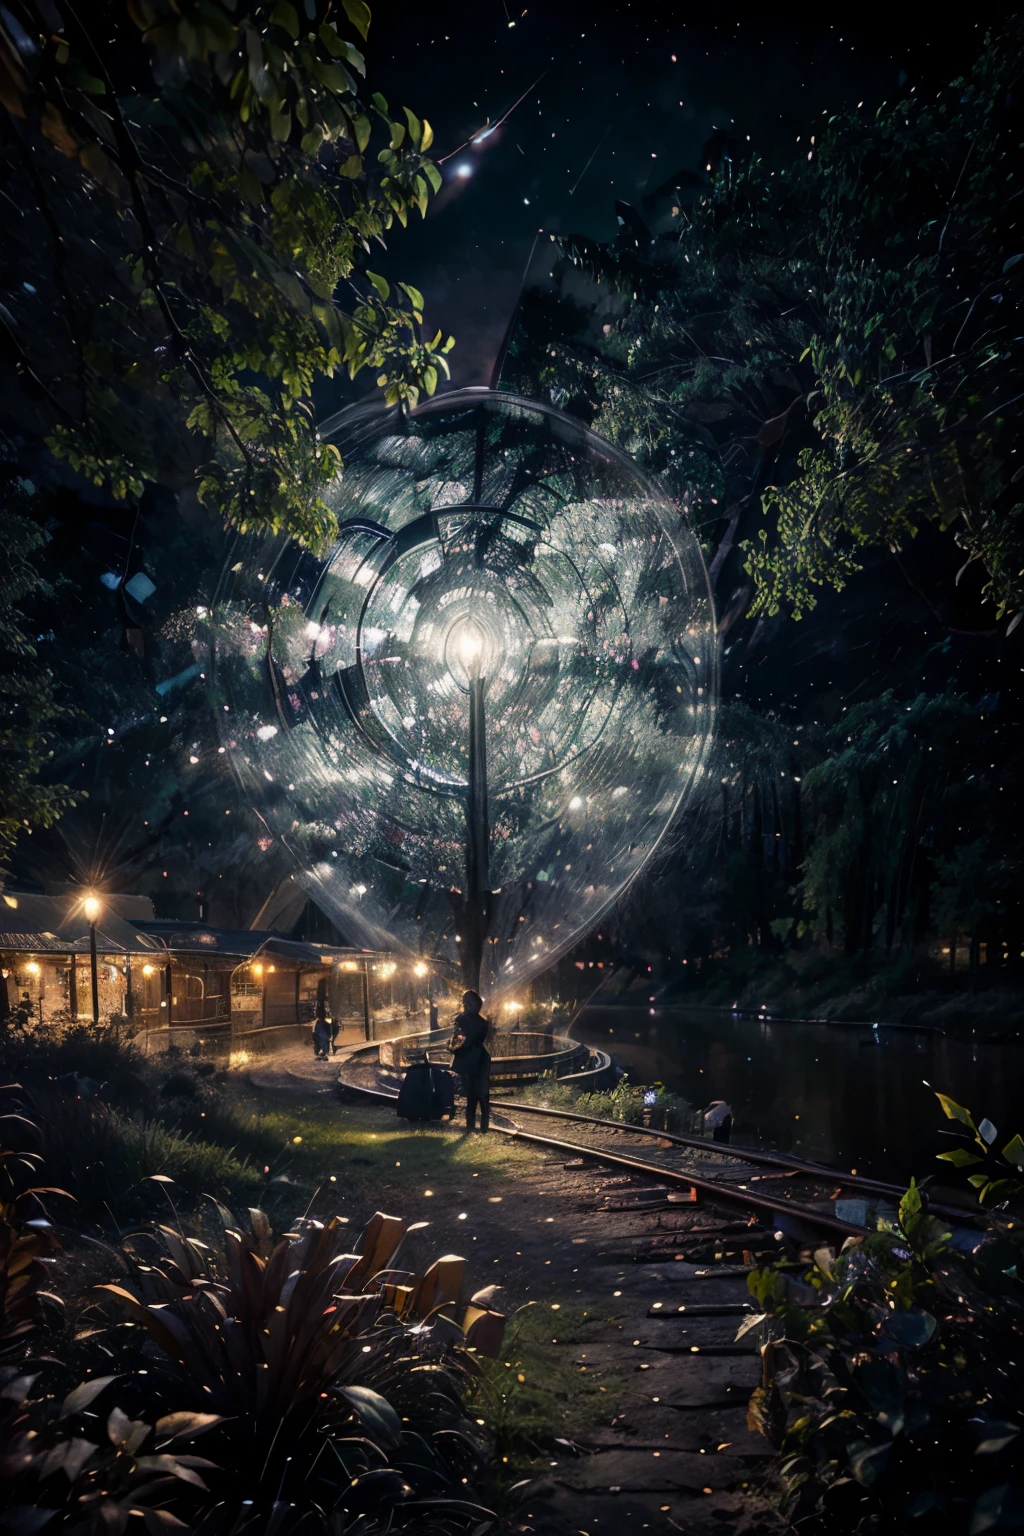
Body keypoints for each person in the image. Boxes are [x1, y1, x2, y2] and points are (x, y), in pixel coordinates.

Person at [450, 989, 491, 1133]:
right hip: (481, 1056)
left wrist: (454, 1049)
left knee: (471, 1095)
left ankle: (470, 1126)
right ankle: (484, 1127)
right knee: (483, 1093)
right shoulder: (483, 1022)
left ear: (465, 1003)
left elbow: (459, 1039)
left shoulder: (461, 1020)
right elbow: (479, 1039)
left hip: (468, 1057)